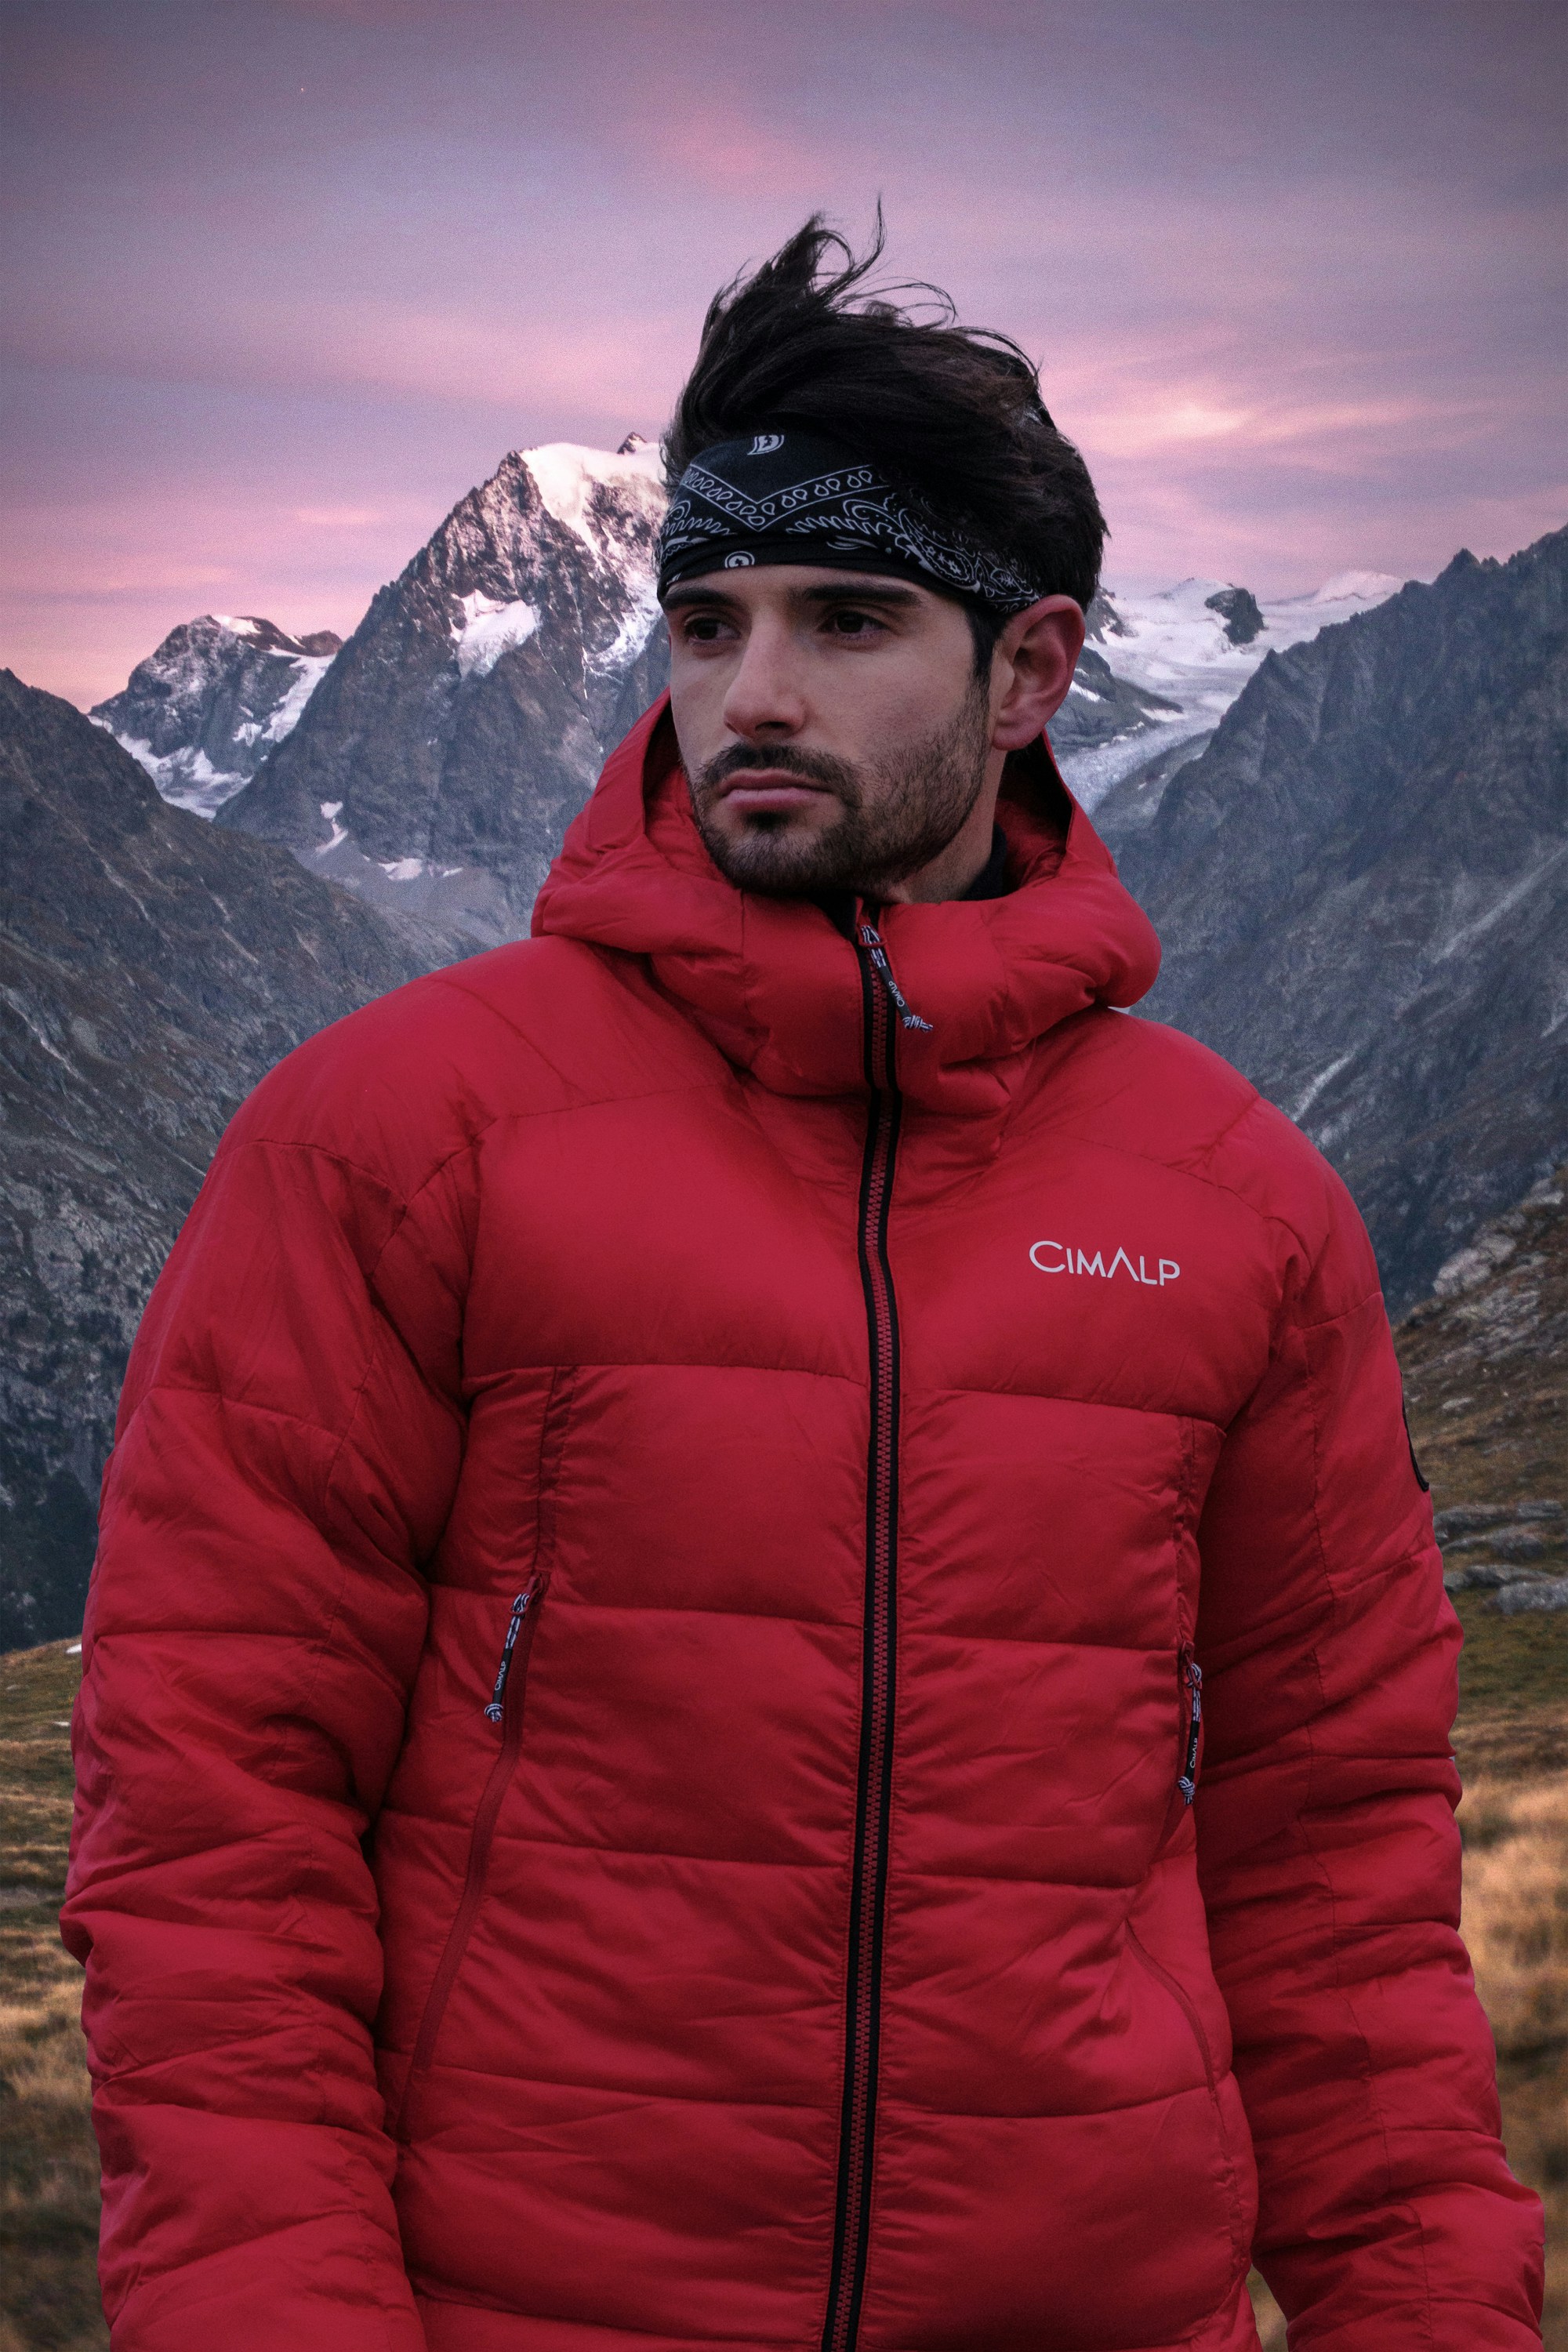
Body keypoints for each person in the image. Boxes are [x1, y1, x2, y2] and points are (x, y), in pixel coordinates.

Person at [63, 219, 1541, 2352]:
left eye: (847, 620)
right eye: (706, 621)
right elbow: (211, 1828)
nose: (750, 693)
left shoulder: (1243, 1206)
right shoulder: (393, 1136)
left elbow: (1335, 1870)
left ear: (1030, 674)